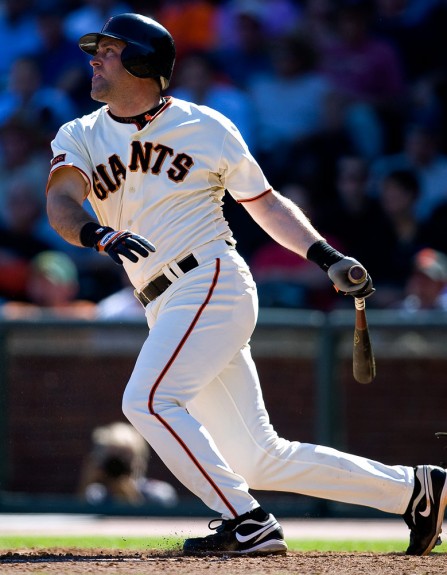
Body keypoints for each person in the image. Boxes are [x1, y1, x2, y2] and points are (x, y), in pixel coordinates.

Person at [45, 13, 446, 557]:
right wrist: (95, 233)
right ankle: (415, 490)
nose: (94, 59)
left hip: (209, 280)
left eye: (110, 51)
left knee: (148, 400)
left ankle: (246, 520)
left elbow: (265, 204)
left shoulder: (206, 126)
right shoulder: (81, 133)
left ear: (142, 61)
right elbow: (62, 204)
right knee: (258, 457)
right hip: (161, 302)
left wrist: (324, 255)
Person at [77, 421, 179, 507]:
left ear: (140, 461)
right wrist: (88, 480)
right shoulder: (96, 495)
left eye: (125, 457)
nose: (118, 465)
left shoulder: (157, 493)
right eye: (114, 459)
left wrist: (133, 495)